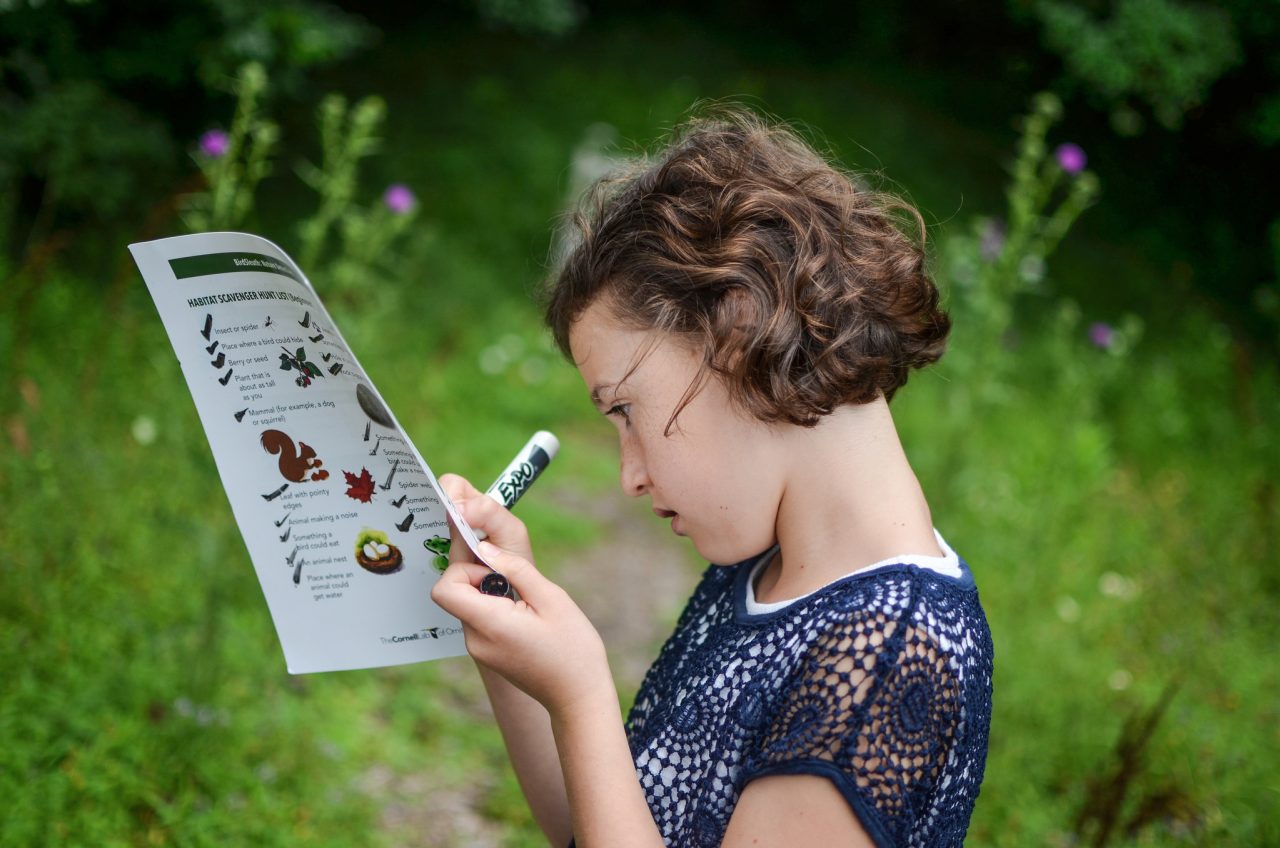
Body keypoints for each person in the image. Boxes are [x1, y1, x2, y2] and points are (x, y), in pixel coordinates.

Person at [431, 106, 994, 848]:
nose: (629, 476)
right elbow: (592, 827)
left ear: (739, 328)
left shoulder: (889, 655)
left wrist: (585, 694)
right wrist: (509, 626)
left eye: (627, 409)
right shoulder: (766, 565)